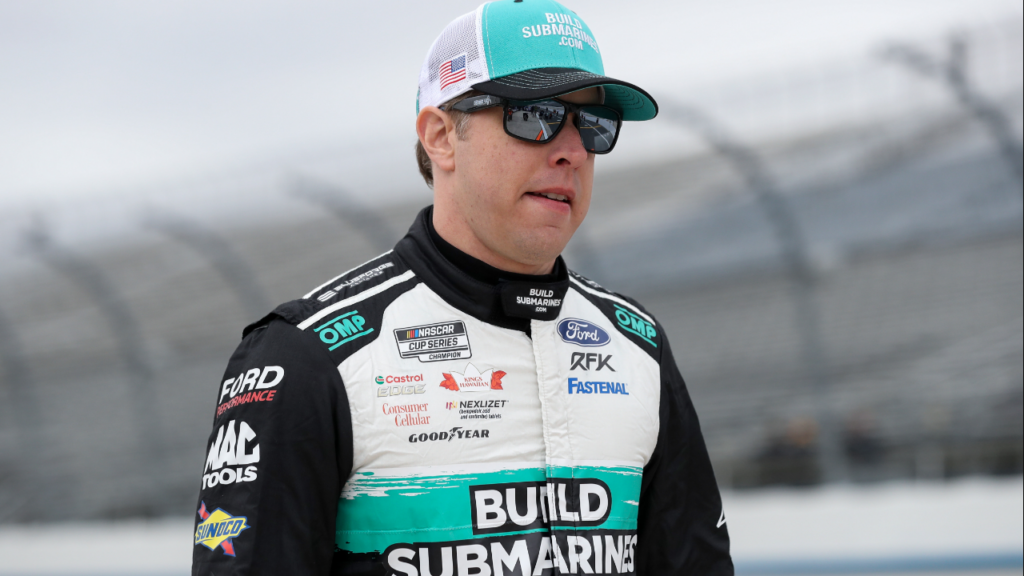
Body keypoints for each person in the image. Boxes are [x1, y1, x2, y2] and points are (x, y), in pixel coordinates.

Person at [191, 0, 733, 574]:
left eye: (592, 126)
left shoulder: (636, 346)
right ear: (442, 137)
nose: (570, 150)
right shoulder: (308, 355)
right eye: (536, 115)